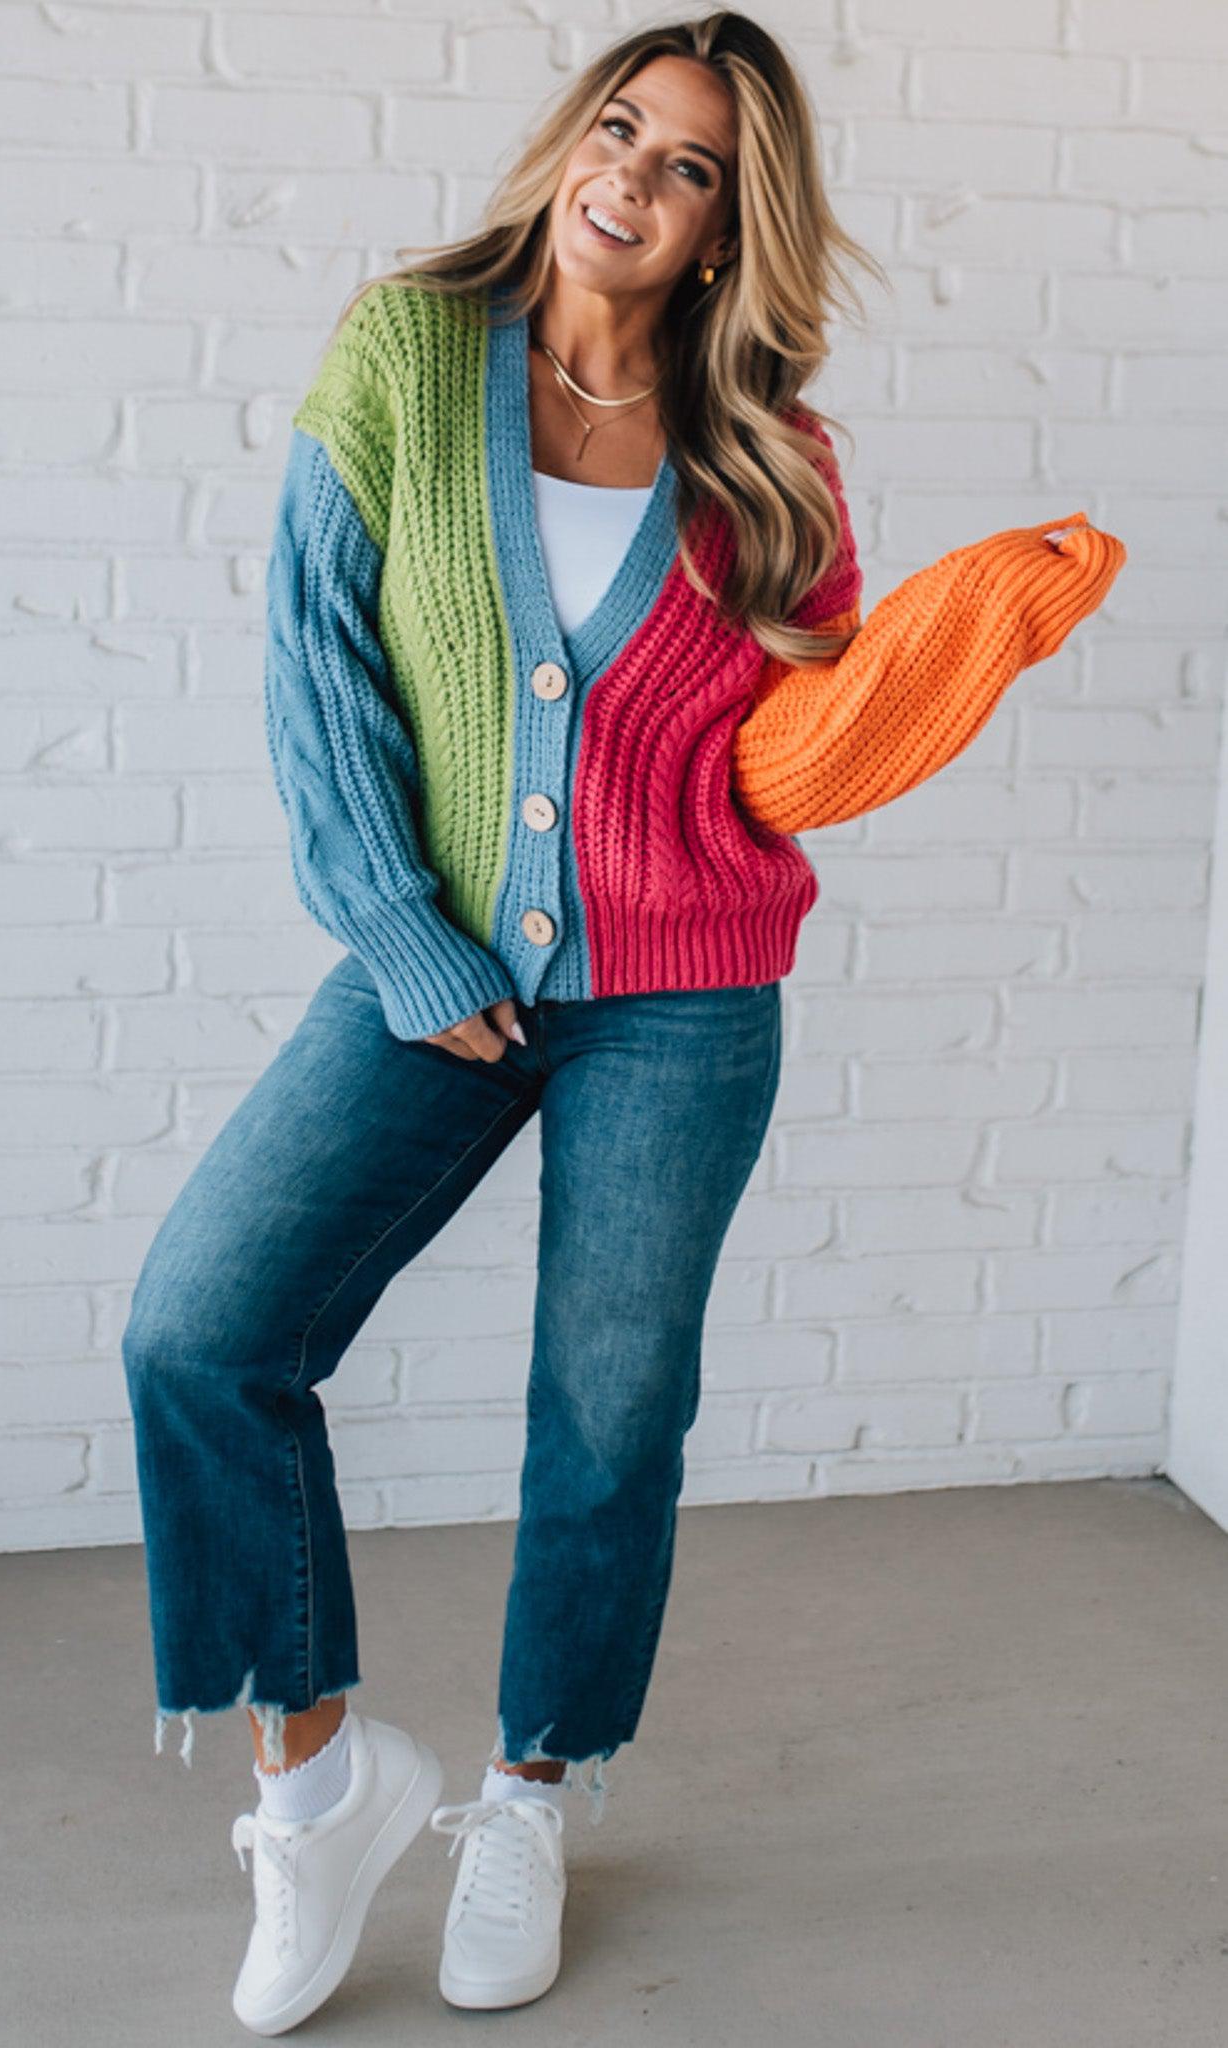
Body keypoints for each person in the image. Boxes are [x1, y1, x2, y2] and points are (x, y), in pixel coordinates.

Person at [120, 8, 1125, 2035]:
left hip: (683, 996)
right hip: (436, 965)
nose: (631, 177)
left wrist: (946, 645)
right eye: (618, 128)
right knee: (203, 1330)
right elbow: (315, 671)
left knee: (608, 1415)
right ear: (566, 141)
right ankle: (312, 1784)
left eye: (685, 167)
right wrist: (406, 939)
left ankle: (525, 1795)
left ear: (724, 226)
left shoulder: (773, 459)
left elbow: (785, 761)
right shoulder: (409, 354)